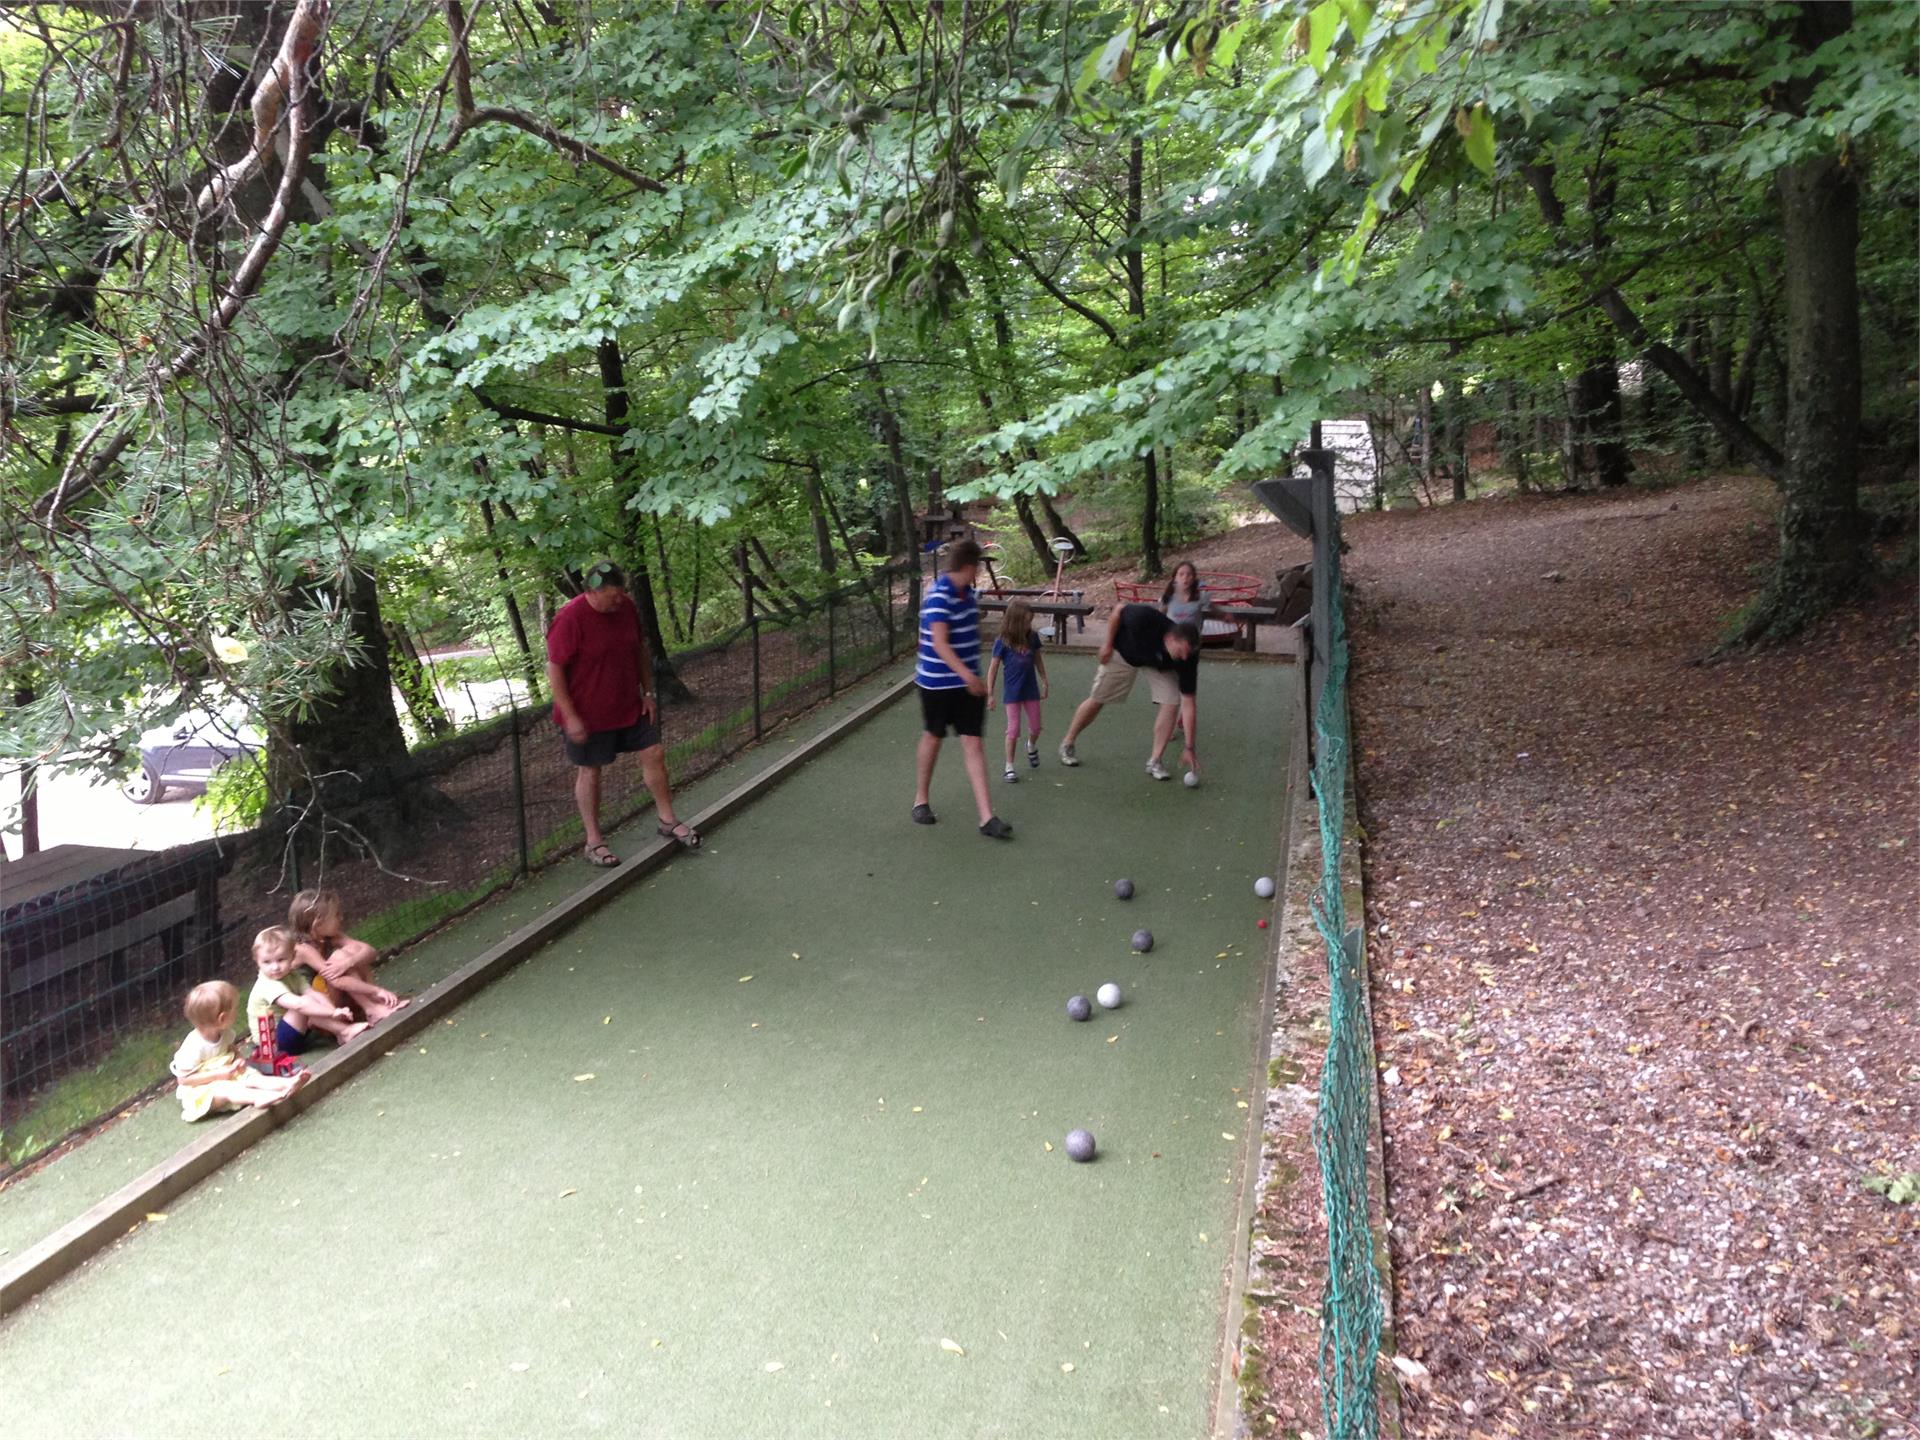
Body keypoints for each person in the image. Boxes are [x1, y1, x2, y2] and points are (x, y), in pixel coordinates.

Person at [546, 561, 699, 866]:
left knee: (654, 751)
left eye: (621, 594)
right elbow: (555, 670)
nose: (620, 601)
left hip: (628, 704)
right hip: (587, 713)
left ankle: (667, 820)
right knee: (591, 770)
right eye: (613, 596)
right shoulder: (569, 619)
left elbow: (639, 649)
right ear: (592, 592)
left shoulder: (626, 608)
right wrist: (571, 715)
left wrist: (648, 691)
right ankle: (593, 842)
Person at [911, 539, 1013, 839]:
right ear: (969, 566)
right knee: (934, 736)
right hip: (936, 684)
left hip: (968, 684)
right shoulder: (938, 596)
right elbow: (940, 643)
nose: (978, 573)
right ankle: (921, 800)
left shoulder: (967, 594)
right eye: (977, 567)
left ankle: (987, 818)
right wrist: (968, 675)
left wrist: (973, 676)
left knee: (973, 743)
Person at [1057, 603, 1202, 781]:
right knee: (1098, 699)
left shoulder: (1187, 657)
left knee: (1172, 701)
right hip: (1125, 654)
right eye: (1182, 651)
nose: (1185, 658)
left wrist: (1189, 747)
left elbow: (1189, 703)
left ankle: (1155, 761)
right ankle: (1068, 742)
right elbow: (1118, 610)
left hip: (1159, 665)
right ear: (1171, 639)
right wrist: (1108, 644)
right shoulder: (1143, 618)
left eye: (1188, 653)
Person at [171, 979, 311, 1122]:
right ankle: (259, 1097)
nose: (237, 1012)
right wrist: (219, 1074)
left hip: (230, 1075)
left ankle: (287, 1083)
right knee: (228, 1090)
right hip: (203, 1090)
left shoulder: (224, 1033)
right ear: (222, 1018)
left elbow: (231, 1048)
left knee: (254, 1077)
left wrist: (238, 1059)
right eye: (235, 1009)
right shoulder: (193, 1046)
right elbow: (183, 1079)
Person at [288, 888, 407, 1024]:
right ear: (318, 923)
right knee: (339, 957)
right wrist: (376, 990)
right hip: (319, 1015)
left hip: (336, 1002)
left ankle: (376, 1003)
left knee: (351, 954)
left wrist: (349, 962)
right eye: (336, 915)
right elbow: (335, 980)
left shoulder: (330, 937)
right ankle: (371, 1009)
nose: (341, 918)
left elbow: (370, 951)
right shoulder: (303, 949)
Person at [249, 926, 366, 1057]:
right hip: (273, 1046)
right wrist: (332, 1013)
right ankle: (345, 1031)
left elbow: (313, 994)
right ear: (257, 962)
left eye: (281, 960)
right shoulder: (267, 984)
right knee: (304, 1004)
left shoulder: (292, 975)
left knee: (312, 997)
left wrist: (335, 1012)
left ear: (292, 956)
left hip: (293, 1032)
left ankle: (339, 1031)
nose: (275, 967)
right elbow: (299, 1005)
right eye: (267, 962)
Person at [985, 598, 1049, 784]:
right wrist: (990, 693)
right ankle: (1009, 766)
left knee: (1036, 727)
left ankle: (1030, 745)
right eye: (1026, 622)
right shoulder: (1002, 642)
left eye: (1030, 621)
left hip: (1030, 689)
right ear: (1015, 622)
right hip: (1013, 692)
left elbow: (1037, 659)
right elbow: (993, 668)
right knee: (1013, 729)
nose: (1029, 625)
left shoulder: (1033, 638)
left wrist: (1044, 679)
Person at [1161, 562, 1207, 626]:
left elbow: (1212, 612)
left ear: (1193, 578)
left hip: (1192, 634)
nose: (1185, 577)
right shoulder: (1168, 596)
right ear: (1175, 578)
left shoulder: (1201, 596)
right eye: (1181, 574)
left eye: (1189, 574)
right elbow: (1160, 616)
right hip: (1173, 634)